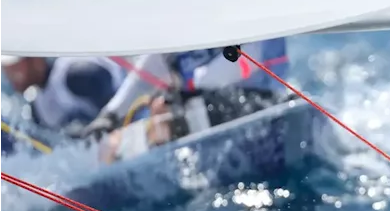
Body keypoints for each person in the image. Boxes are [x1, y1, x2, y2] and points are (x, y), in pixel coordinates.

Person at [78, 38, 292, 142]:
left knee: (178, 108)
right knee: (165, 114)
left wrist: (190, 89)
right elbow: (142, 79)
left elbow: (244, 60)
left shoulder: (237, 22)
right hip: (207, 125)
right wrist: (110, 115)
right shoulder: (174, 39)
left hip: (259, 108)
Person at [0, 55, 125, 135]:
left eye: (14, 65)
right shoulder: (37, 108)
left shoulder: (78, 75)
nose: (7, 71)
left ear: (36, 60)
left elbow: (120, 114)